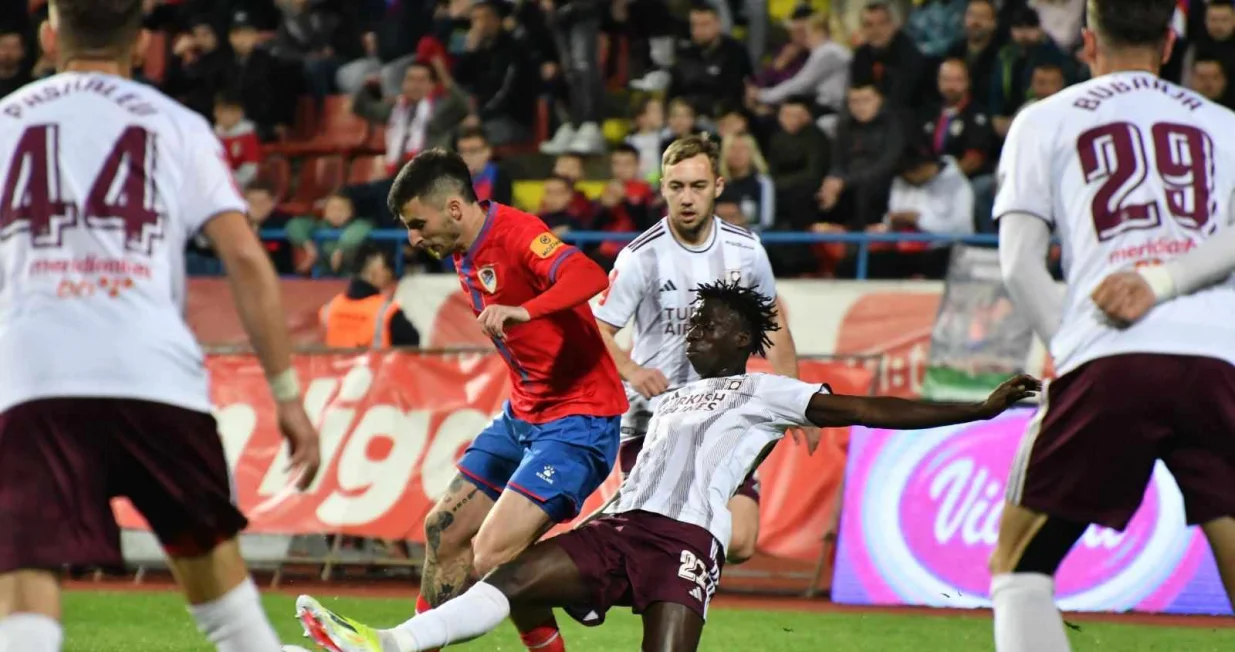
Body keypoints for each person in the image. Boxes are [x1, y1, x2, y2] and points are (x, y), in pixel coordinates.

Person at [294, 280, 1040, 652]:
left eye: (714, 321)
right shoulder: (667, 397)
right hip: (618, 528)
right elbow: (629, 449)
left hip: (684, 547)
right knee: (512, 578)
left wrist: (975, 410)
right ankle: (385, 645)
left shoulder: (765, 390)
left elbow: (868, 410)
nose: (698, 327)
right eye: (696, 319)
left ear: (744, 335)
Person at [0, 2, 322, 652]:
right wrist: (286, 396)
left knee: (23, 576)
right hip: (155, 380)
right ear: (143, 44)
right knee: (230, 615)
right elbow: (245, 260)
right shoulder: (178, 125)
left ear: (48, 34)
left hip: (34, 378)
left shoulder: (5, 122)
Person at [295, 148, 628, 652]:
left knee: (494, 550)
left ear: (453, 208)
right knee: (444, 530)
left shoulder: (516, 233)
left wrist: (525, 310)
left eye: (417, 223)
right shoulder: (459, 246)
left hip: (578, 420)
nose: (412, 238)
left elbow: (588, 275)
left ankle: (583, 574)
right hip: (523, 415)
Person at [992, 1, 1235, 650]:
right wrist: (1169, 280)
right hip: (1219, 360)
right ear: (1168, 43)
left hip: (1109, 357)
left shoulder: (1043, 119)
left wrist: (1070, 349)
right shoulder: (1224, 125)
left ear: (1086, 40)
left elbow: (1018, 264)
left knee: (1018, 566)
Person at [591, 134, 801, 566]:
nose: (687, 198)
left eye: (698, 186)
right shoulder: (640, 257)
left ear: (718, 186)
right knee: (662, 541)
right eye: (676, 187)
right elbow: (595, 327)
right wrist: (630, 368)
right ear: (663, 188)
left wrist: (799, 401)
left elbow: (773, 324)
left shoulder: (746, 251)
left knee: (740, 542)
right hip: (655, 420)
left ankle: (650, 562)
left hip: (725, 415)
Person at [320, 243, 420, 349]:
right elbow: (412, 345)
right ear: (375, 270)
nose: (389, 274)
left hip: (336, 365)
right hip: (375, 365)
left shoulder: (329, 309)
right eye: (386, 267)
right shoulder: (388, 312)